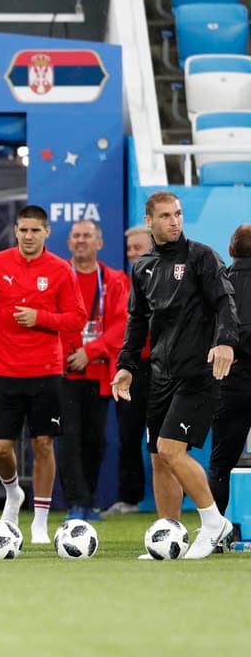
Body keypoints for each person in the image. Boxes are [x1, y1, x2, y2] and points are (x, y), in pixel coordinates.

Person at [114, 191, 238, 559]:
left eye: (179, 214)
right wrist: (125, 365)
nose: (175, 221)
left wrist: (226, 341)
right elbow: (138, 321)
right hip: (161, 375)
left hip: (199, 372)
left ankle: (214, 523)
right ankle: (169, 536)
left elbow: (225, 302)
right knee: (158, 455)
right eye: (166, 215)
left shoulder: (201, 256)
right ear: (149, 220)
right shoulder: (143, 266)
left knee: (171, 449)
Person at [0, 205, 86, 544]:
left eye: (36, 230)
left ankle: (40, 520)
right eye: (24, 230)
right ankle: (13, 492)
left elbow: (76, 318)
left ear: (47, 232)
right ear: (16, 231)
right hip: (3, 371)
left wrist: (41, 317)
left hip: (46, 371)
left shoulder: (61, 270)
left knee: (43, 444)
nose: (29, 236)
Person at [56, 219, 128, 521]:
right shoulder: (59, 276)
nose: (81, 241)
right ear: (69, 243)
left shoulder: (115, 280)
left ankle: (89, 501)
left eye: (87, 236)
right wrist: (72, 351)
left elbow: (123, 324)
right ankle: (77, 502)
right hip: (62, 372)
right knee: (67, 437)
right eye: (76, 236)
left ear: (99, 243)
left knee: (95, 440)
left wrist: (90, 351)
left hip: (98, 373)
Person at [104, 225, 156, 517]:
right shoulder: (120, 285)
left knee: (168, 438)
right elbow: (116, 328)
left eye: (138, 247)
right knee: (129, 435)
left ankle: (178, 497)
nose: (132, 253)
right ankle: (129, 499)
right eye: (129, 249)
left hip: (164, 368)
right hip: (131, 370)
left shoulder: (171, 280)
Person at [209, 223, 251, 516]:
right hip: (233, 380)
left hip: (230, 385)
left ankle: (216, 532)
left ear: (230, 250)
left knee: (221, 465)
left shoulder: (217, 284)